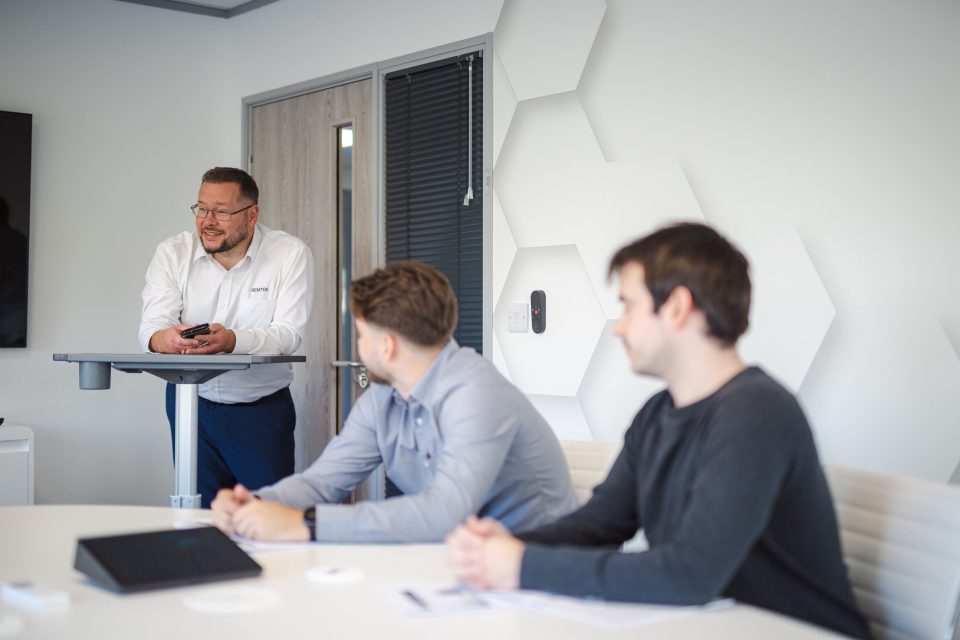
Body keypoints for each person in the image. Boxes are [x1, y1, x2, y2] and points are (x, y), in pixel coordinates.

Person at [446, 223, 872, 639]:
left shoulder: (757, 412)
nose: (618, 326)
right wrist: (509, 547)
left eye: (629, 305)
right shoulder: (657, 413)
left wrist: (521, 565)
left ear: (676, 307)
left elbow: (689, 575)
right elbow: (601, 524)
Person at [211, 261, 578, 543]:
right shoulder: (383, 399)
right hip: (460, 559)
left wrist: (306, 524)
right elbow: (322, 483)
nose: (358, 346)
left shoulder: (476, 394)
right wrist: (256, 503)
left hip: (536, 566)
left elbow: (443, 513)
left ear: (386, 346)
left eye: (360, 335)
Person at [139, 167, 315, 508]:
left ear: (252, 215)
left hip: (259, 411)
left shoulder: (289, 254)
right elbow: (152, 327)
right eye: (201, 209)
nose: (208, 220)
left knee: (268, 516)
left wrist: (231, 341)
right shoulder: (172, 252)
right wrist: (168, 340)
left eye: (221, 211)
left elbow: (288, 334)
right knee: (198, 517)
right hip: (189, 404)